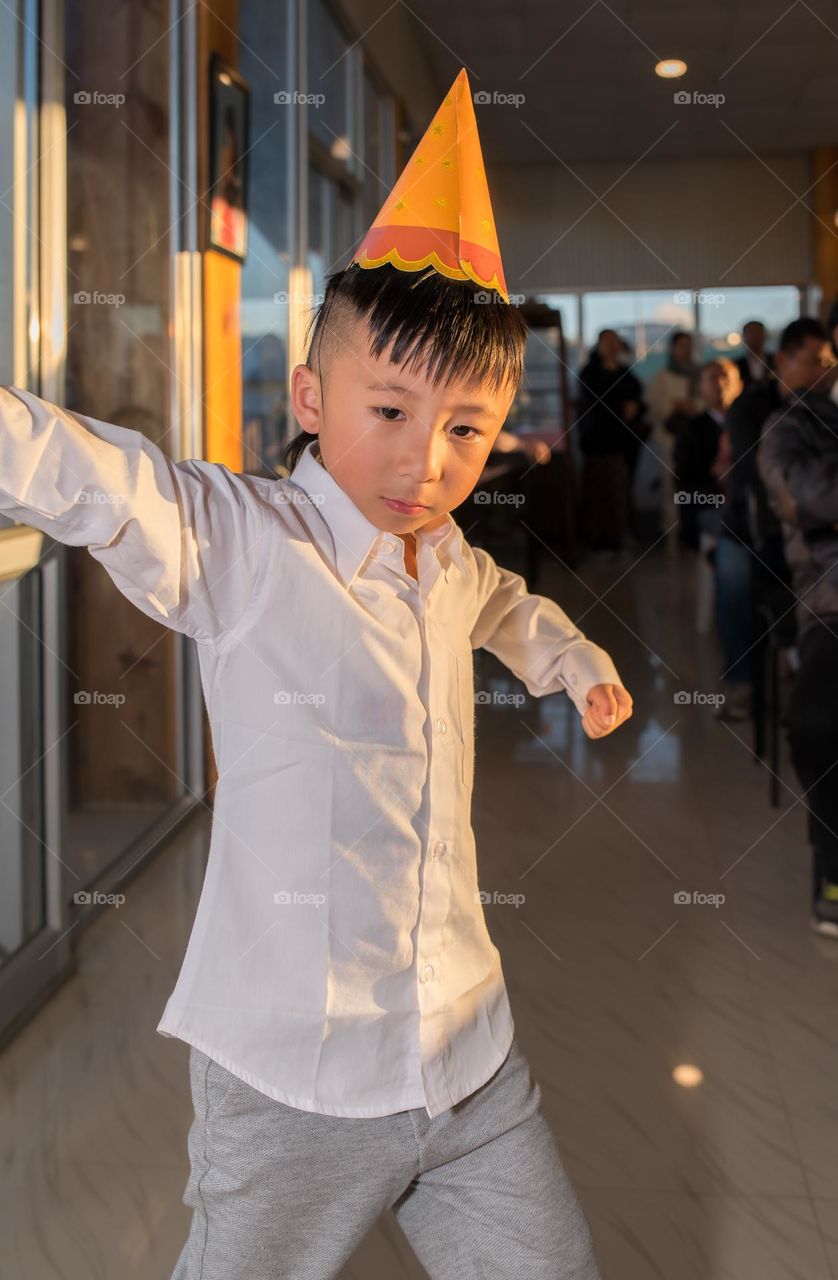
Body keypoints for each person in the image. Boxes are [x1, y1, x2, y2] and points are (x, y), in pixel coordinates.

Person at [0, 69, 632, 1278]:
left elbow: (508, 604)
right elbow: (89, 471)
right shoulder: (242, 542)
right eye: (388, 409)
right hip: (295, 1070)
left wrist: (575, 659)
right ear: (308, 395)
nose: (425, 458)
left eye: (465, 427)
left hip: (468, 1062)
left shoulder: (449, 559)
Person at [715, 318, 834, 720]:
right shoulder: (754, 406)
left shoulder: (826, 411)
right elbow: (766, 483)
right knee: (732, 580)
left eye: (829, 362)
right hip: (752, 529)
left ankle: (809, 673)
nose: (825, 371)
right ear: (783, 358)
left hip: (805, 533)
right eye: (815, 361)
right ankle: (741, 683)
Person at [757, 376, 838, 935]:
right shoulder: (794, 421)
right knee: (817, 722)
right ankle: (833, 866)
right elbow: (801, 497)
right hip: (832, 604)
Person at [576, 327, 647, 552]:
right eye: (607, 342)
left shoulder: (624, 371)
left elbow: (638, 396)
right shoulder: (590, 372)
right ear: (599, 345)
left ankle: (618, 536)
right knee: (597, 492)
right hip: (597, 444)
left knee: (620, 491)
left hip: (622, 444)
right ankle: (596, 540)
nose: (612, 347)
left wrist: (635, 406)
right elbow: (595, 405)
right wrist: (620, 406)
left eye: (615, 342)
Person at [672, 358, 741, 551]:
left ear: (739, 384)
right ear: (700, 386)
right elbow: (684, 481)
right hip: (708, 510)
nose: (720, 383)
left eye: (725, 377)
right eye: (712, 378)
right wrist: (714, 479)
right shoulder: (690, 429)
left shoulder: (749, 426)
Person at [645, 329, 700, 539]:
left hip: (696, 438)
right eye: (682, 345)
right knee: (670, 484)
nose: (686, 350)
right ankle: (672, 530)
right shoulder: (663, 376)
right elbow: (653, 406)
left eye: (689, 345)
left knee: (695, 482)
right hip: (671, 437)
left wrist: (694, 406)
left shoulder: (699, 373)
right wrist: (673, 406)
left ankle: (693, 528)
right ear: (673, 348)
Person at [734, 319, 775, 390]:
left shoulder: (777, 361)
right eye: (750, 333)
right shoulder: (735, 366)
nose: (754, 337)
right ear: (744, 337)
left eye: (757, 332)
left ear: (764, 335)